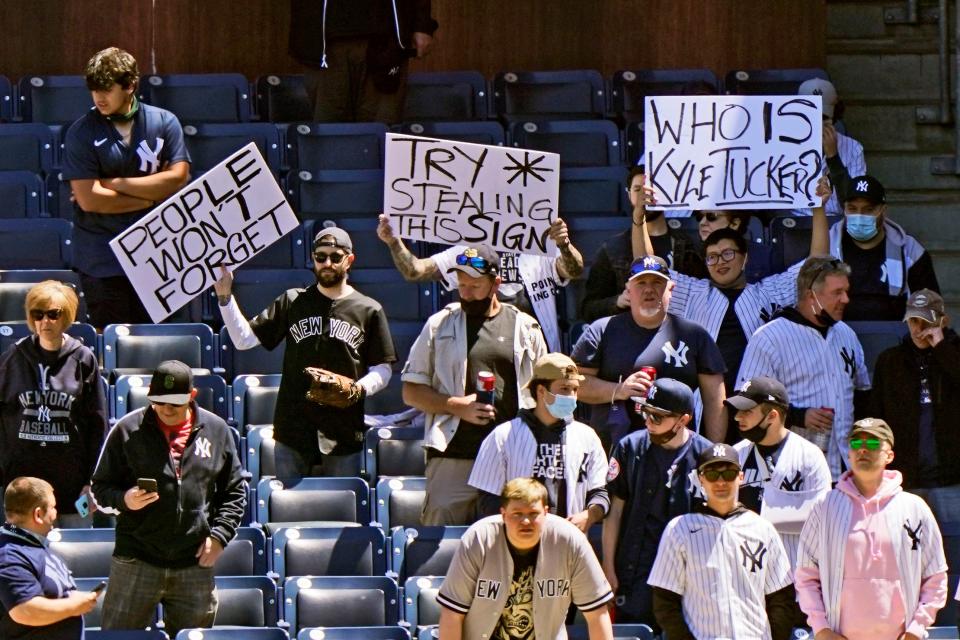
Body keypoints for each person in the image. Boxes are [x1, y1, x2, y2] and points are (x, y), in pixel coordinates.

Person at [643, 176, 831, 442]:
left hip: (759, 400)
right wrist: (639, 219)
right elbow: (649, 265)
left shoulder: (767, 291)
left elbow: (817, 264)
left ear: (744, 259)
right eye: (712, 257)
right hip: (707, 406)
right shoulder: (695, 291)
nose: (720, 262)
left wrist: (818, 209)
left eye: (728, 254)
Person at [216, 226, 396, 482]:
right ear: (312, 259)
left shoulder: (369, 309)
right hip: (293, 429)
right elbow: (243, 339)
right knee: (289, 511)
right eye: (320, 257)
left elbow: (383, 369)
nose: (327, 263)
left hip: (343, 431)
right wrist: (225, 297)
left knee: (343, 512)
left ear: (350, 260)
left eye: (336, 257)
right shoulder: (292, 301)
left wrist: (358, 389)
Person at [90, 361, 245, 637]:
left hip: (193, 561)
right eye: (159, 401)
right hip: (136, 559)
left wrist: (220, 536)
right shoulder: (127, 430)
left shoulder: (217, 431)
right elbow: (99, 489)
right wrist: (125, 499)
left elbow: (235, 492)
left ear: (192, 396)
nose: (166, 408)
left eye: (175, 402)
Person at [402, 245, 547, 526]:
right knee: (442, 544)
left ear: (496, 284)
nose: (465, 292)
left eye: (475, 285)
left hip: (511, 458)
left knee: (508, 545)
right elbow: (410, 391)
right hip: (453, 454)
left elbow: (543, 392)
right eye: (462, 284)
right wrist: (455, 406)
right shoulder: (438, 324)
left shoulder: (524, 327)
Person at [61, 47, 191, 328]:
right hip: (102, 258)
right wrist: (150, 198)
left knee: (160, 345)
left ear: (130, 85)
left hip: (158, 254)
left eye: (106, 89)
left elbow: (178, 177)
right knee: (114, 343)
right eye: (94, 89)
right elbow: (90, 200)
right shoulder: (81, 132)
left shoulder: (164, 122)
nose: (99, 97)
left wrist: (114, 183)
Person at [795, 418, 948, 640]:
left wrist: (916, 629)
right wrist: (821, 628)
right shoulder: (824, 507)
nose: (863, 449)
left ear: (890, 455)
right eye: (856, 444)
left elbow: (936, 576)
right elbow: (806, 575)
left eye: (874, 444)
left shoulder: (914, 508)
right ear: (848, 453)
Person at [571, 254, 727, 448]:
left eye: (657, 282)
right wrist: (619, 390)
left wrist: (714, 453)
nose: (649, 289)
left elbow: (715, 401)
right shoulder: (602, 330)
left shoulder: (694, 335)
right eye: (641, 282)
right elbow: (576, 385)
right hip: (613, 451)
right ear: (628, 289)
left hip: (677, 452)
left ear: (671, 289)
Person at [737, 255, 871, 480]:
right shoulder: (770, 337)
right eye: (837, 292)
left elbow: (863, 397)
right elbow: (745, 403)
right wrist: (797, 416)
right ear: (812, 295)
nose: (846, 299)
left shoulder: (847, 335)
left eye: (846, 291)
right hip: (791, 472)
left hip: (847, 471)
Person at [648, 443, 795, 640]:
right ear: (701, 479)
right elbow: (665, 602)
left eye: (728, 474)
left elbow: (781, 599)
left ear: (740, 477)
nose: (720, 482)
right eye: (711, 474)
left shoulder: (763, 529)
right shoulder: (679, 530)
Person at [437, 477, 614, 640]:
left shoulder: (571, 541)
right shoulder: (478, 539)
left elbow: (597, 613)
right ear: (503, 514)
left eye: (533, 513)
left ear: (545, 512)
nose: (526, 521)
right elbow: (452, 614)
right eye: (517, 514)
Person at [378, 213, 582, 352]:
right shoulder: (469, 251)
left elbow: (574, 270)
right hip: (480, 350)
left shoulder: (539, 247)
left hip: (536, 351)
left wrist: (563, 244)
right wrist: (394, 242)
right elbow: (415, 271)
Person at [602, 378, 712, 628]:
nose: (649, 422)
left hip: (687, 575)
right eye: (646, 413)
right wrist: (608, 567)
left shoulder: (706, 456)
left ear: (683, 420)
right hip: (635, 570)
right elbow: (614, 512)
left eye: (658, 417)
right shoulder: (629, 446)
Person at [0, 281, 108, 529]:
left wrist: (92, 480)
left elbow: (97, 423)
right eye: (38, 315)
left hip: (71, 484)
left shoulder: (83, 358)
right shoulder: (13, 358)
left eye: (53, 314)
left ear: (66, 316)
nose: (45, 322)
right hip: (23, 485)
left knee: (72, 559)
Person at [468, 353, 609, 531]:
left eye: (575, 389)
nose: (572, 396)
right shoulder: (503, 436)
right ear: (541, 390)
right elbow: (488, 498)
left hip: (569, 543)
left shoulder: (588, 437)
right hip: (516, 543)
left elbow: (600, 493)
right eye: (564, 388)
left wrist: (589, 515)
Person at [869, 289, 960, 524]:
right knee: (905, 547)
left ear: (943, 321)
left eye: (926, 321)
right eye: (913, 321)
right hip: (904, 477)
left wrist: (941, 347)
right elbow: (876, 416)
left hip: (951, 478)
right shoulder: (890, 361)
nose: (919, 329)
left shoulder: (954, 354)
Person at [725, 376, 831, 568]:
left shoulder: (809, 457)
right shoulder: (735, 455)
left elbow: (822, 519)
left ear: (772, 416)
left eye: (747, 411)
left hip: (792, 570)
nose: (737, 417)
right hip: (742, 570)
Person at [580, 167, 704, 322]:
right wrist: (618, 301)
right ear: (629, 194)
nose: (644, 196)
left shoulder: (689, 247)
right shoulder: (612, 250)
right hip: (631, 338)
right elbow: (588, 310)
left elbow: (704, 298)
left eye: (651, 191)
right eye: (638, 189)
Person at [288, 0, 438, 123]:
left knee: (383, 131)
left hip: (386, 37)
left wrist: (422, 23)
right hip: (323, 43)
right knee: (329, 133)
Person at [828, 174, 940, 321]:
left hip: (895, 337)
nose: (860, 216)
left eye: (868, 209)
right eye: (852, 208)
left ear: (883, 210)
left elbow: (931, 312)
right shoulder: (828, 246)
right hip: (838, 337)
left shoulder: (910, 251)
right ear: (844, 209)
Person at [795, 78, 866, 216]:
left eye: (823, 118)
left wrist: (833, 158)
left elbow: (854, 204)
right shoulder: (781, 144)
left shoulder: (853, 148)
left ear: (834, 117)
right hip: (792, 221)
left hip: (835, 224)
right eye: (810, 117)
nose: (817, 124)